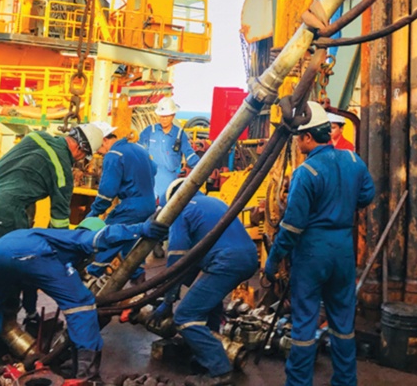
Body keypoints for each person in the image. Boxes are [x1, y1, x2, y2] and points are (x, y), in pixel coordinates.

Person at [0, 123, 105, 353]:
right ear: (81, 150)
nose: (80, 161)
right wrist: (65, 261)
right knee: (8, 272)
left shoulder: (36, 137)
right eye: (84, 157)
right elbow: (59, 224)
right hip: (3, 211)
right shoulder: (62, 171)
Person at [0, 215, 169, 379]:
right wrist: (140, 229)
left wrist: (31, 315)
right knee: (81, 304)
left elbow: (29, 289)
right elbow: (104, 236)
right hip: (34, 253)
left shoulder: (47, 236)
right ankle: (86, 374)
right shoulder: (77, 237)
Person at [264, 101, 375, 386]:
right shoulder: (353, 161)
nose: (297, 143)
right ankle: (345, 381)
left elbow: (291, 226)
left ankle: (299, 383)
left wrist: (273, 259)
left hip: (313, 253)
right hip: (343, 250)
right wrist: (342, 203)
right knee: (343, 322)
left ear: (308, 137)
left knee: (304, 322)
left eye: (298, 138)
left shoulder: (306, 172)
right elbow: (367, 195)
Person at [151, 179, 258, 386]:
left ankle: (219, 370)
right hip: (248, 258)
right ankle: (205, 357)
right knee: (209, 306)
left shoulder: (180, 210)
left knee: (185, 316)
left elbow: (177, 260)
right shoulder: (213, 202)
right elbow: (193, 260)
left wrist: (168, 300)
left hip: (226, 261)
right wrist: (173, 291)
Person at [85, 124, 158, 277]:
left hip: (132, 206)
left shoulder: (114, 154)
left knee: (108, 237)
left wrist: (94, 213)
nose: (98, 153)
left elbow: (107, 192)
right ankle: (138, 280)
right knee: (131, 247)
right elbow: (154, 168)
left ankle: (89, 277)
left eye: (97, 148)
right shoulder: (138, 148)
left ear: (104, 140)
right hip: (149, 202)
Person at [139, 97, 200, 203]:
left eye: (167, 116)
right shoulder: (149, 131)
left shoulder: (179, 134)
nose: (164, 119)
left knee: (166, 207)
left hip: (170, 182)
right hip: (150, 179)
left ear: (173, 115)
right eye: (162, 116)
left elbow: (189, 154)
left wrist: (203, 166)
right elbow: (138, 152)